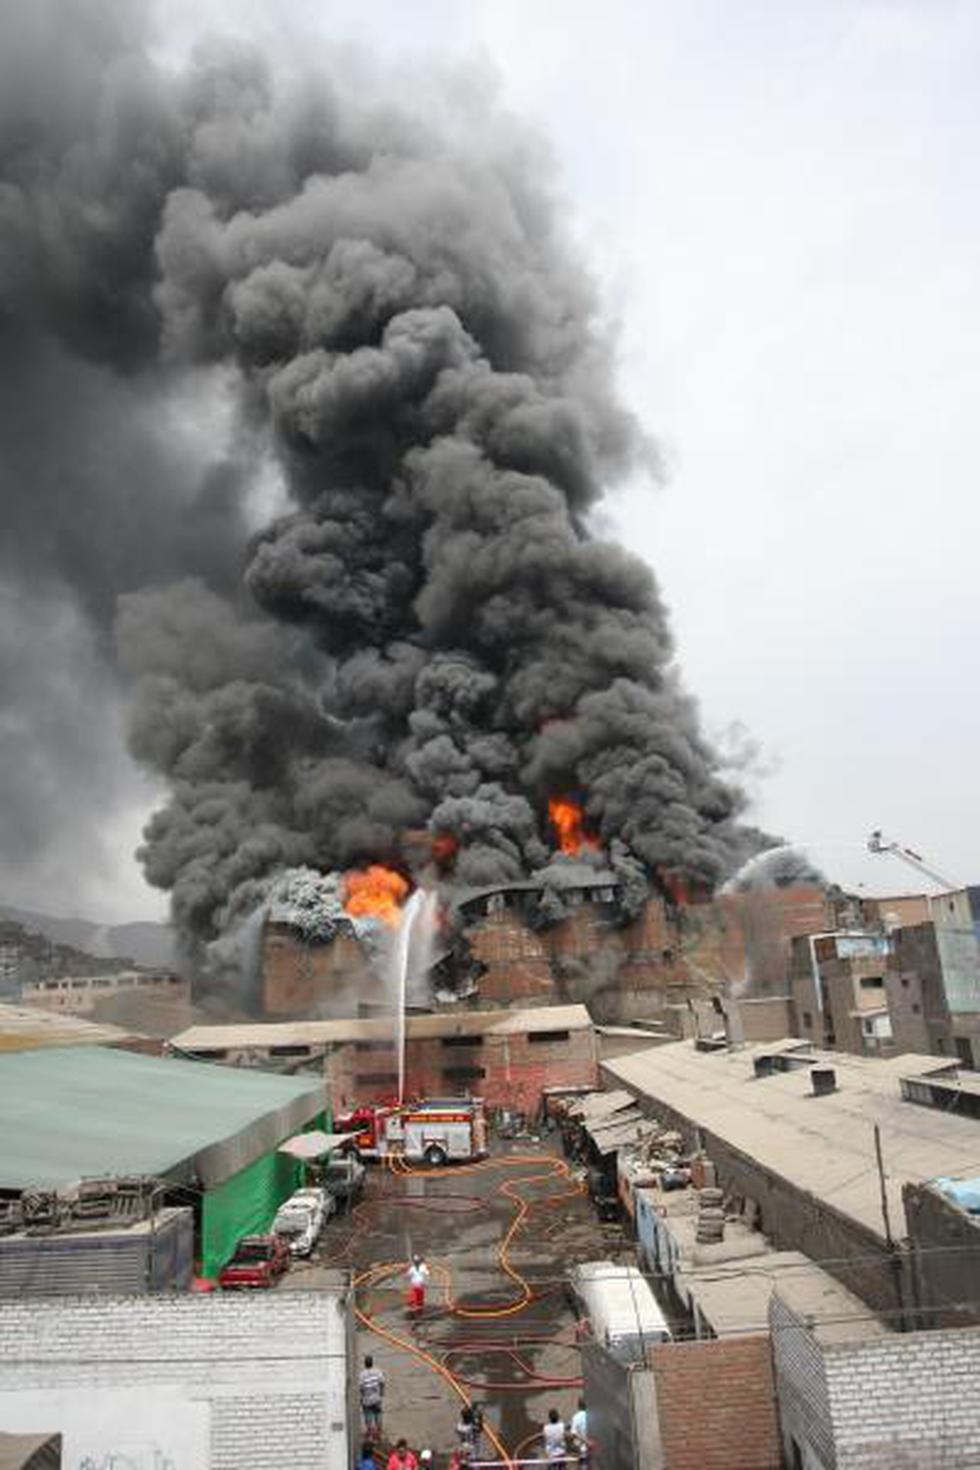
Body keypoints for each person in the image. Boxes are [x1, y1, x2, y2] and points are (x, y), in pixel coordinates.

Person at [359, 1354, 385, 1440]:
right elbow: (382, 1383)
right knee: (378, 1415)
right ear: (372, 1363)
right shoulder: (378, 1372)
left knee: (368, 1416)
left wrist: (362, 1397)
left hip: (367, 1400)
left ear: (365, 1364)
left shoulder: (362, 1374)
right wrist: (381, 1393)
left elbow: (361, 1387)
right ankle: (379, 1433)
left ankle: (369, 1434)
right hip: (377, 1399)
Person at [570, 1397, 589, 1463]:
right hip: (593, 1448)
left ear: (578, 1405)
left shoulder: (576, 1417)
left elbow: (573, 1434)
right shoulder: (593, 1415)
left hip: (582, 1448)